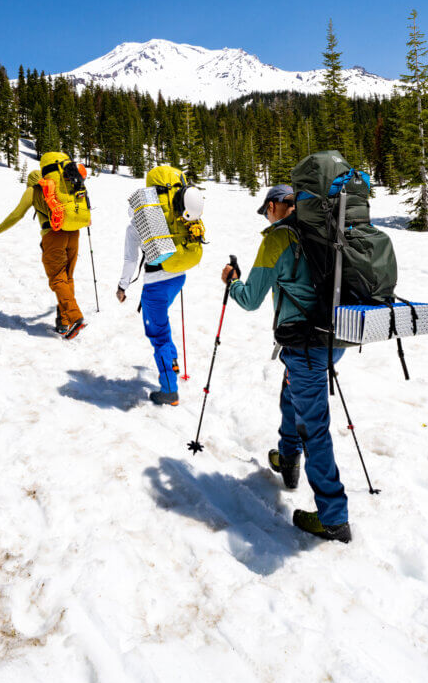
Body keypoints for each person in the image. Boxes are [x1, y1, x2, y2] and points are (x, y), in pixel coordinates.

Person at [221, 182, 351, 543]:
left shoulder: (277, 240)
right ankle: (289, 460)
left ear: (278, 205)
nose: (266, 215)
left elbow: (249, 299)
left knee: (315, 426)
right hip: (334, 336)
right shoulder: (325, 230)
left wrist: (233, 283)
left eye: (267, 209)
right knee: (289, 394)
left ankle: (333, 517)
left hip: (306, 343)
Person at [0, 151, 91, 340]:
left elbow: (16, 215)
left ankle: (75, 318)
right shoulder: (60, 187)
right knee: (67, 278)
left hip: (53, 235)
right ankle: (64, 323)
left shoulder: (34, 189)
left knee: (57, 278)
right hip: (73, 232)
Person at [117, 179, 205, 406]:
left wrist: (122, 286)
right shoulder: (167, 214)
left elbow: (130, 259)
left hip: (155, 284)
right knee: (162, 325)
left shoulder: (135, 224)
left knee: (159, 335)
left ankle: (169, 389)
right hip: (177, 277)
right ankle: (171, 364)